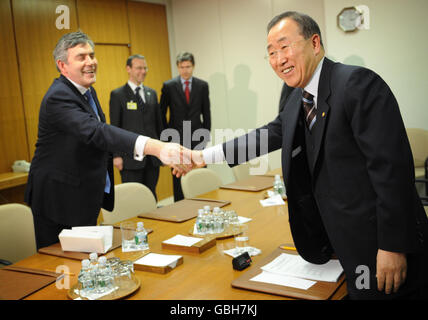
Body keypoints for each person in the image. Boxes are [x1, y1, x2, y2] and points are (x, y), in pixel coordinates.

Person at [190, 12, 428, 299]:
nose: (279, 59)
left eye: (285, 46)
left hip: (378, 246)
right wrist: (203, 157)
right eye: (271, 53)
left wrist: (392, 246)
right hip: (341, 245)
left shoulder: (356, 84)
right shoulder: (297, 101)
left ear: (315, 43)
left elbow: (391, 171)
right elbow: (265, 136)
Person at [25, 32, 190, 250]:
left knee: (87, 261)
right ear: (62, 66)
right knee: (62, 269)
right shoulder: (58, 97)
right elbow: (97, 132)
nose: (90, 62)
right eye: (81, 57)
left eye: (91, 55)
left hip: (83, 194)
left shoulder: (87, 91)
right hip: (58, 200)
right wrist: (156, 147)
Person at [110, 55, 163, 200]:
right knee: (133, 199)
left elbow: (159, 125)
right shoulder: (118, 95)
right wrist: (116, 156)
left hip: (152, 158)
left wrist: (163, 150)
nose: (143, 71)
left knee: (151, 195)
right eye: (139, 68)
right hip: (130, 159)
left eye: (145, 68)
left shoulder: (151, 93)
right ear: (128, 69)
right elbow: (114, 128)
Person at [160, 52, 211, 201]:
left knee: (200, 173)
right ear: (178, 67)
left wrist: (205, 135)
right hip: (176, 138)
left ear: (193, 66)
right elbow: (162, 113)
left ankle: (204, 202)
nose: (185, 70)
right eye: (182, 67)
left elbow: (206, 112)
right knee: (178, 174)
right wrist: (166, 138)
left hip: (197, 136)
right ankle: (180, 205)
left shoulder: (202, 85)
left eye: (188, 66)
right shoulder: (168, 86)